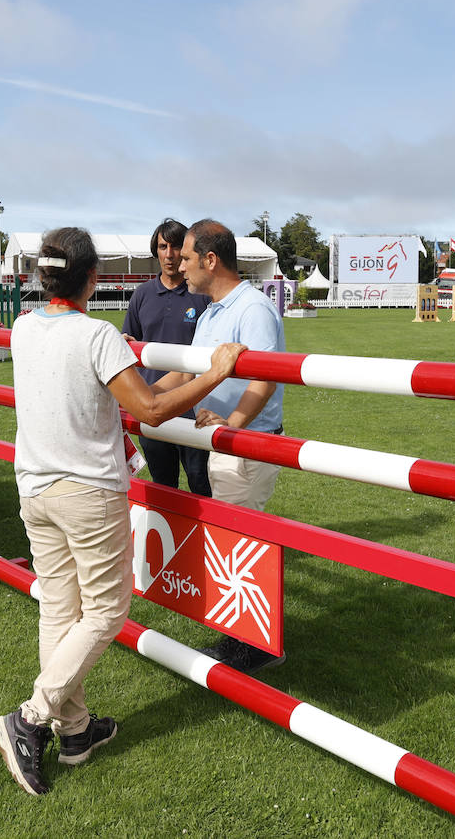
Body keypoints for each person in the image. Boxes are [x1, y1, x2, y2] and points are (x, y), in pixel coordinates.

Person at [0, 226, 245, 797]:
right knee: (106, 611)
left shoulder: (25, 328)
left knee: (60, 609)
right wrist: (215, 373)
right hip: (87, 492)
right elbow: (151, 408)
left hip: (35, 488)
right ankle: (31, 718)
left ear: (42, 276)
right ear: (93, 277)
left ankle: (76, 731)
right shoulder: (97, 335)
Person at [156, 219, 287, 674]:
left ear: (211, 260)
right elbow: (189, 373)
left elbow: (266, 376)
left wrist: (231, 426)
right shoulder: (211, 311)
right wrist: (143, 397)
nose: (180, 267)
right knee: (230, 541)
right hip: (223, 442)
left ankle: (254, 646)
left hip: (246, 445)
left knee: (239, 543)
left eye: (188, 258)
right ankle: (243, 640)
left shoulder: (251, 309)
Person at [121, 218, 212, 496]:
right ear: (156, 251)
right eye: (163, 246)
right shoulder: (142, 295)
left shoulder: (201, 295)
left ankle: (203, 540)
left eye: (175, 247)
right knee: (163, 485)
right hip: (153, 405)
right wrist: (124, 343)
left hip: (193, 407)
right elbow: (129, 343)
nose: (169, 254)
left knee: (200, 481)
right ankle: (169, 540)